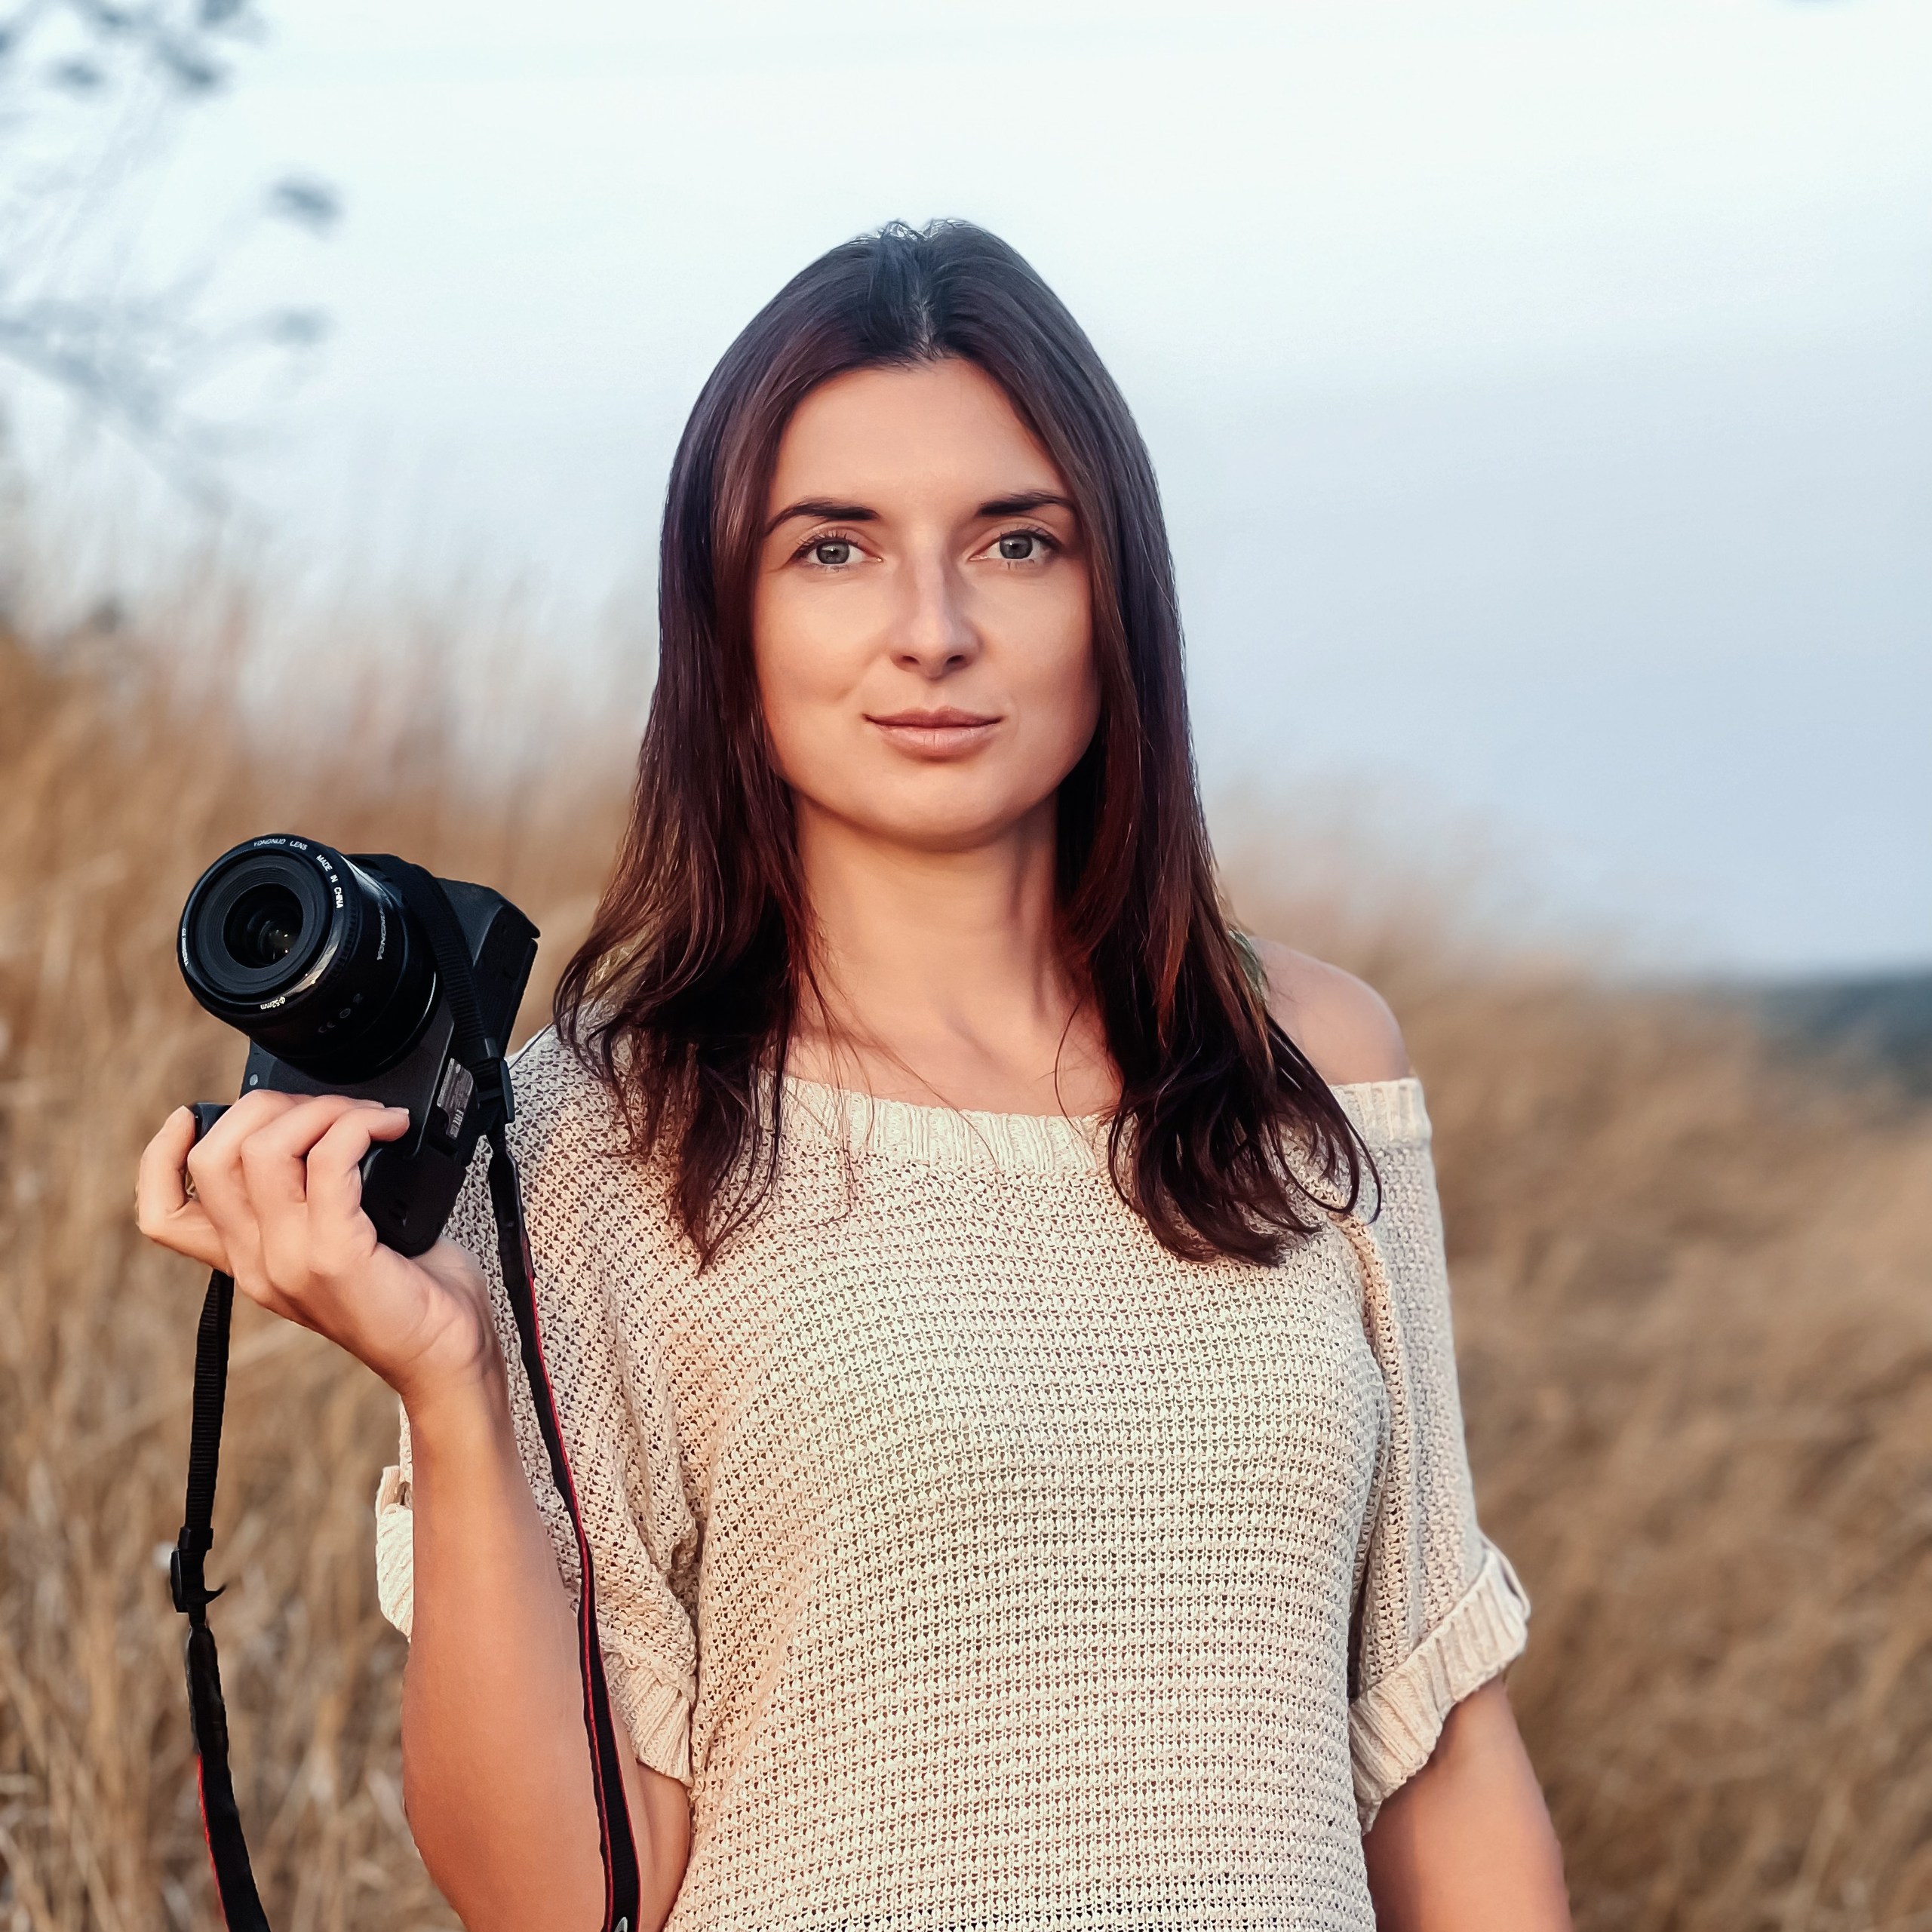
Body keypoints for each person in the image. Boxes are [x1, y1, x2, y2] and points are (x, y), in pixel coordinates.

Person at [137, 220, 1570, 1932]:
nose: (934, 629)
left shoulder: (1309, 1069)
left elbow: (1440, 1752)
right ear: (726, 621)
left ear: (1116, 598)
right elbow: (565, 1900)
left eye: (1017, 541)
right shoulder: (591, 1141)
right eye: (834, 551)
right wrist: (450, 1393)